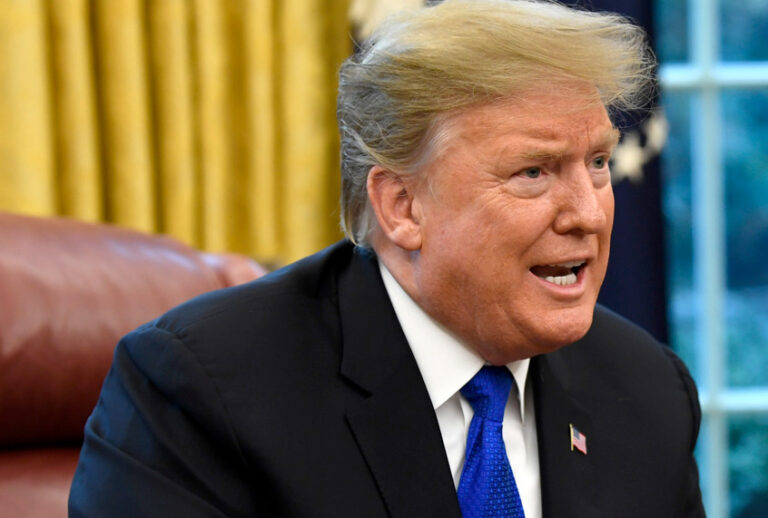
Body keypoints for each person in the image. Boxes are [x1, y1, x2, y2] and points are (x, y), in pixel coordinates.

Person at [69, 0, 705, 516]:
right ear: (403, 206)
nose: (588, 214)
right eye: (533, 172)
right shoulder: (203, 391)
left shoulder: (649, 393)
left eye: (596, 163)